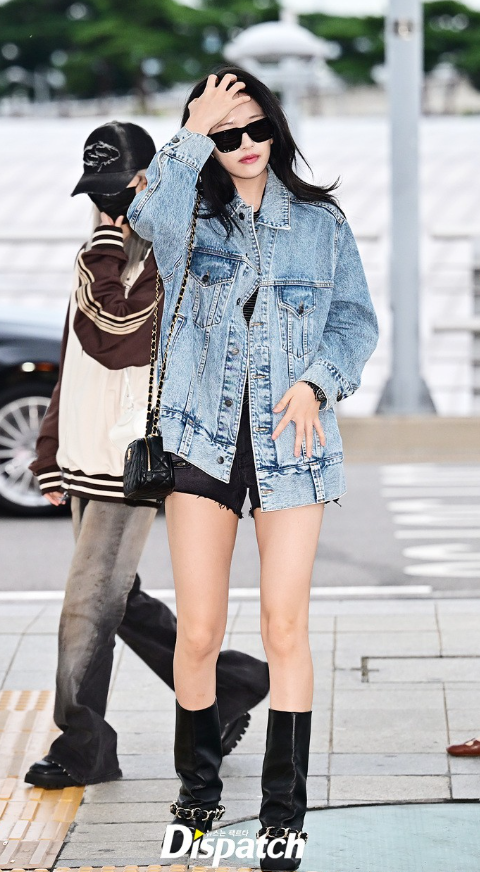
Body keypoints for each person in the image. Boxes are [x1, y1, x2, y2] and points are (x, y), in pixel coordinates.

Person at [127, 68, 379, 870]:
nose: (244, 145)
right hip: (201, 441)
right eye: (226, 134)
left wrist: (317, 382)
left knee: (284, 627)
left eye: (256, 127)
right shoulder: (188, 217)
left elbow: (354, 324)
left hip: (292, 448)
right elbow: (145, 220)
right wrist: (189, 133)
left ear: (277, 127)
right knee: (199, 630)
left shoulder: (320, 224)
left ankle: (282, 819)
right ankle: (198, 798)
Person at [24, 120, 269, 791]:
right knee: (118, 597)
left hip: (128, 459)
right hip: (86, 457)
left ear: (149, 183)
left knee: (88, 606)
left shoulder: (175, 250)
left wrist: (105, 245)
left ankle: (84, 747)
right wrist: (50, 451)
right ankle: (228, 685)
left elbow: (118, 333)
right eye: (98, 193)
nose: (109, 206)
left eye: (120, 189)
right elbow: (77, 356)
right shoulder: (102, 253)